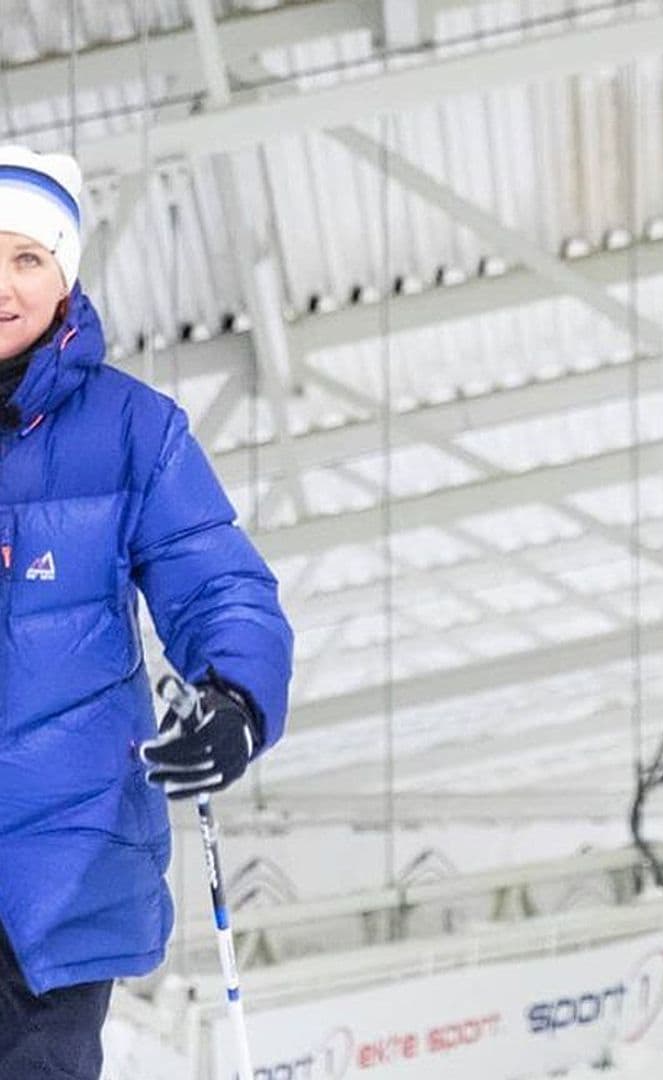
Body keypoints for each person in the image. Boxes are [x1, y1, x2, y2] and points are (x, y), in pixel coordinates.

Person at [0, 145, 293, 1078]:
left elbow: (219, 586)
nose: (3, 285)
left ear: (64, 274)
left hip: (62, 871)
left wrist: (234, 701)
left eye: (27, 257)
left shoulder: (133, 430)